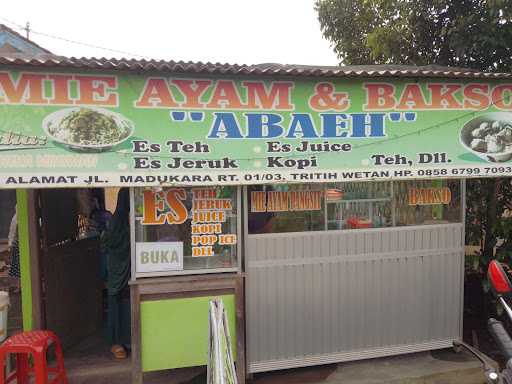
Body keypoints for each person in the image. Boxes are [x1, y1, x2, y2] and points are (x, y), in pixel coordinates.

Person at [101, 188, 131, 359]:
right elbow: (110, 241)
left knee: (125, 306)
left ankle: (125, 341)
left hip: (125, 270)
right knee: (117, 305)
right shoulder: (118, 220)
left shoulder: (126, 218)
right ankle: (115, 343)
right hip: (117, 270)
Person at [7, 206, 20, 289]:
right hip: (17, 245)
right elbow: (12, 232)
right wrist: (10, 244)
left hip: (19, 245)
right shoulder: (16, 219)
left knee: (18, 267)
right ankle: (18, 286)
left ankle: (19, 286)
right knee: (17, 267)